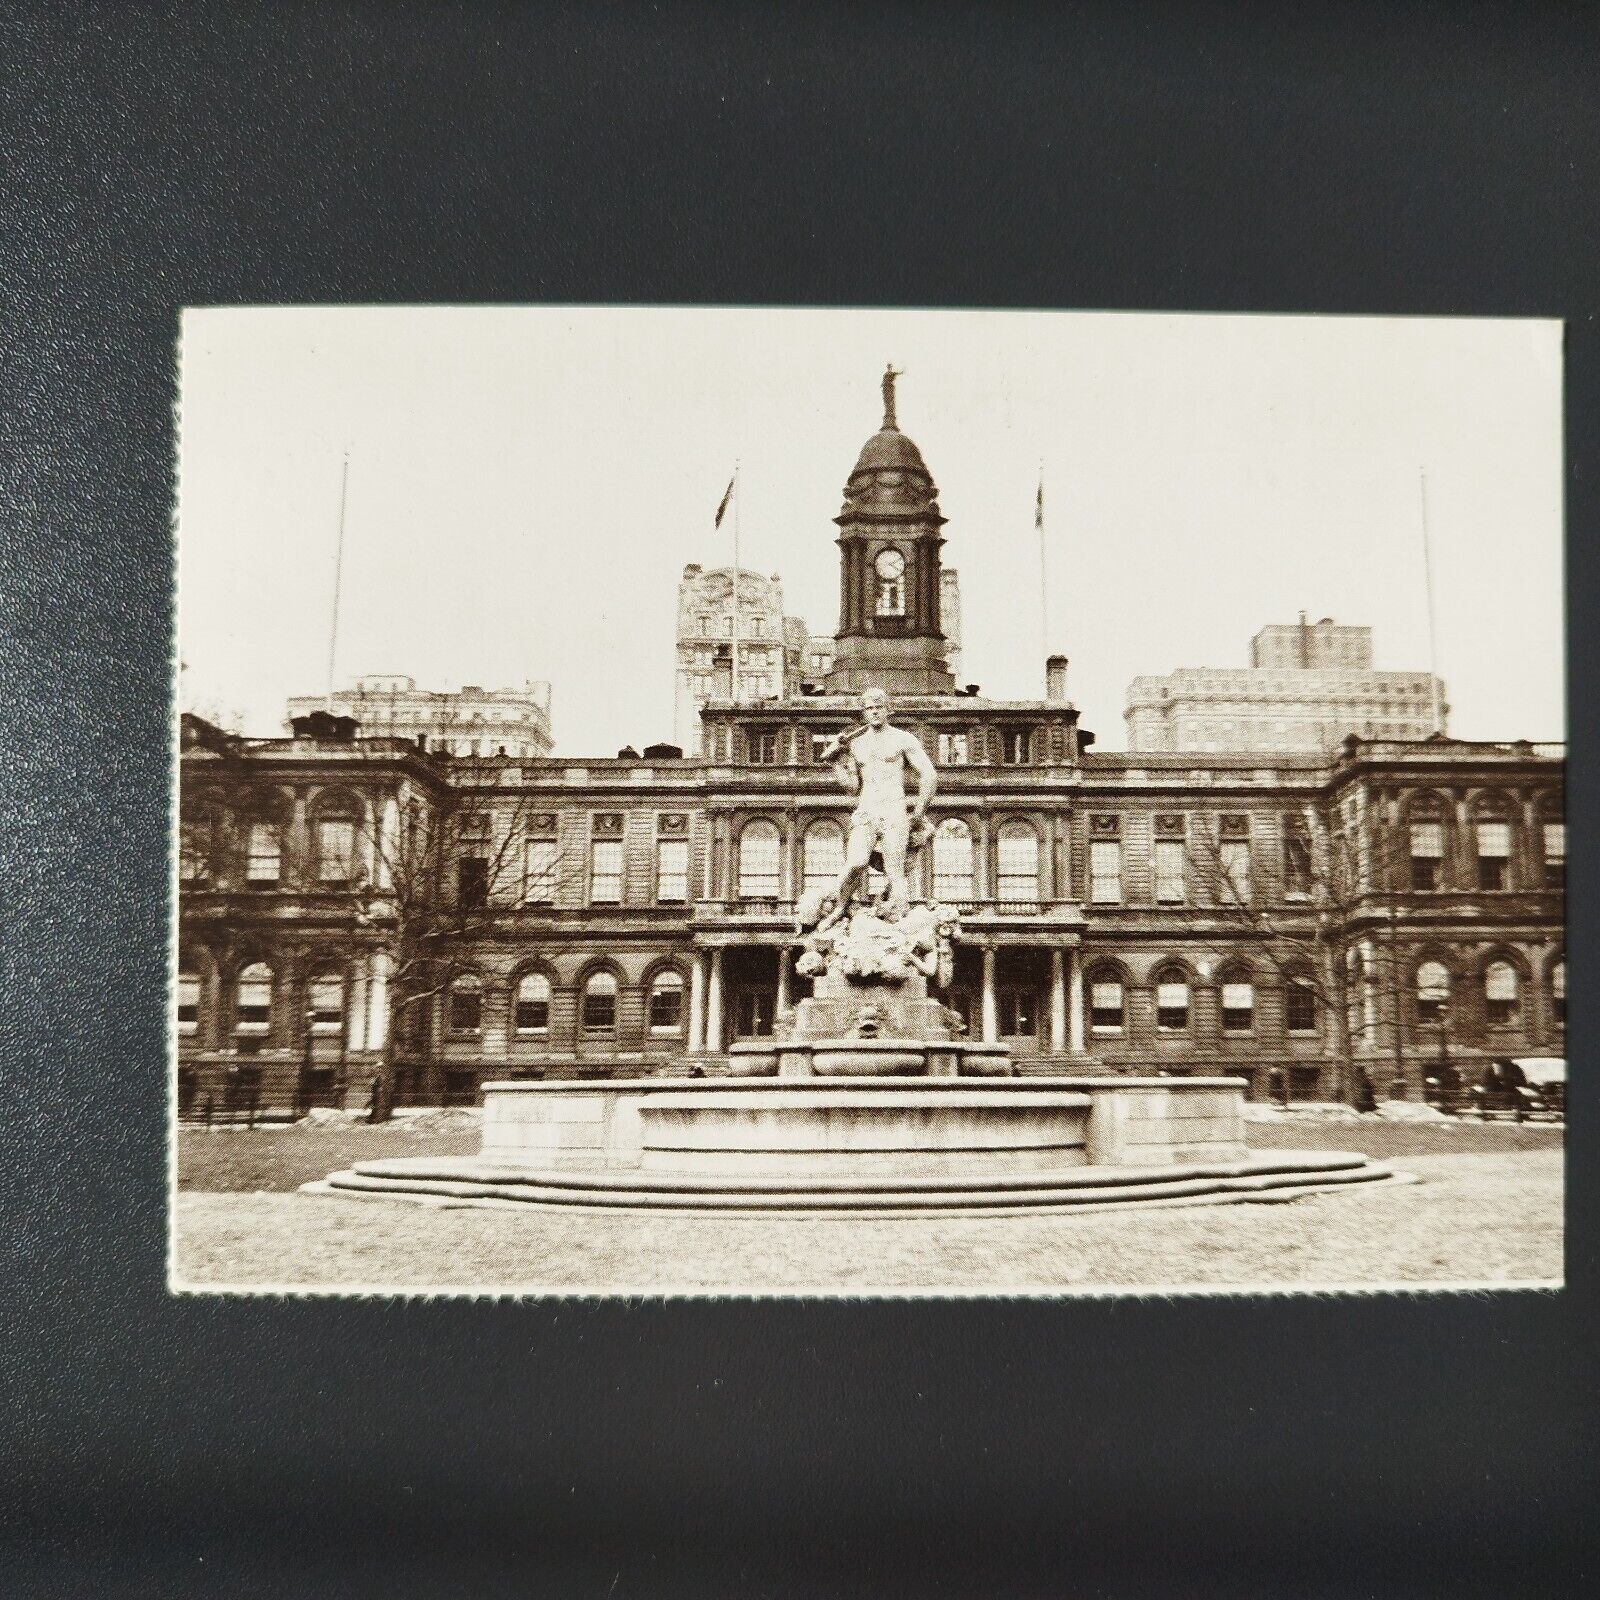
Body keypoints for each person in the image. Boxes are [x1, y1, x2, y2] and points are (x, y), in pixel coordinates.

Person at [817, 687, 936, 922]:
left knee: (894, 871)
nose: (874, 712)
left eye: (878, 707)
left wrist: (919, 811)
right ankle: (838, 907)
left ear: (888, 710)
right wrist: (834, 763)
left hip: (894, 810)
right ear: (864, 713)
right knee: (856, 862)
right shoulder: (857, 744)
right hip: (867, 810)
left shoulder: (903, 739)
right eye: (869, 708)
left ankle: (899, 921)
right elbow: (852, 787)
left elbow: (929, 774)